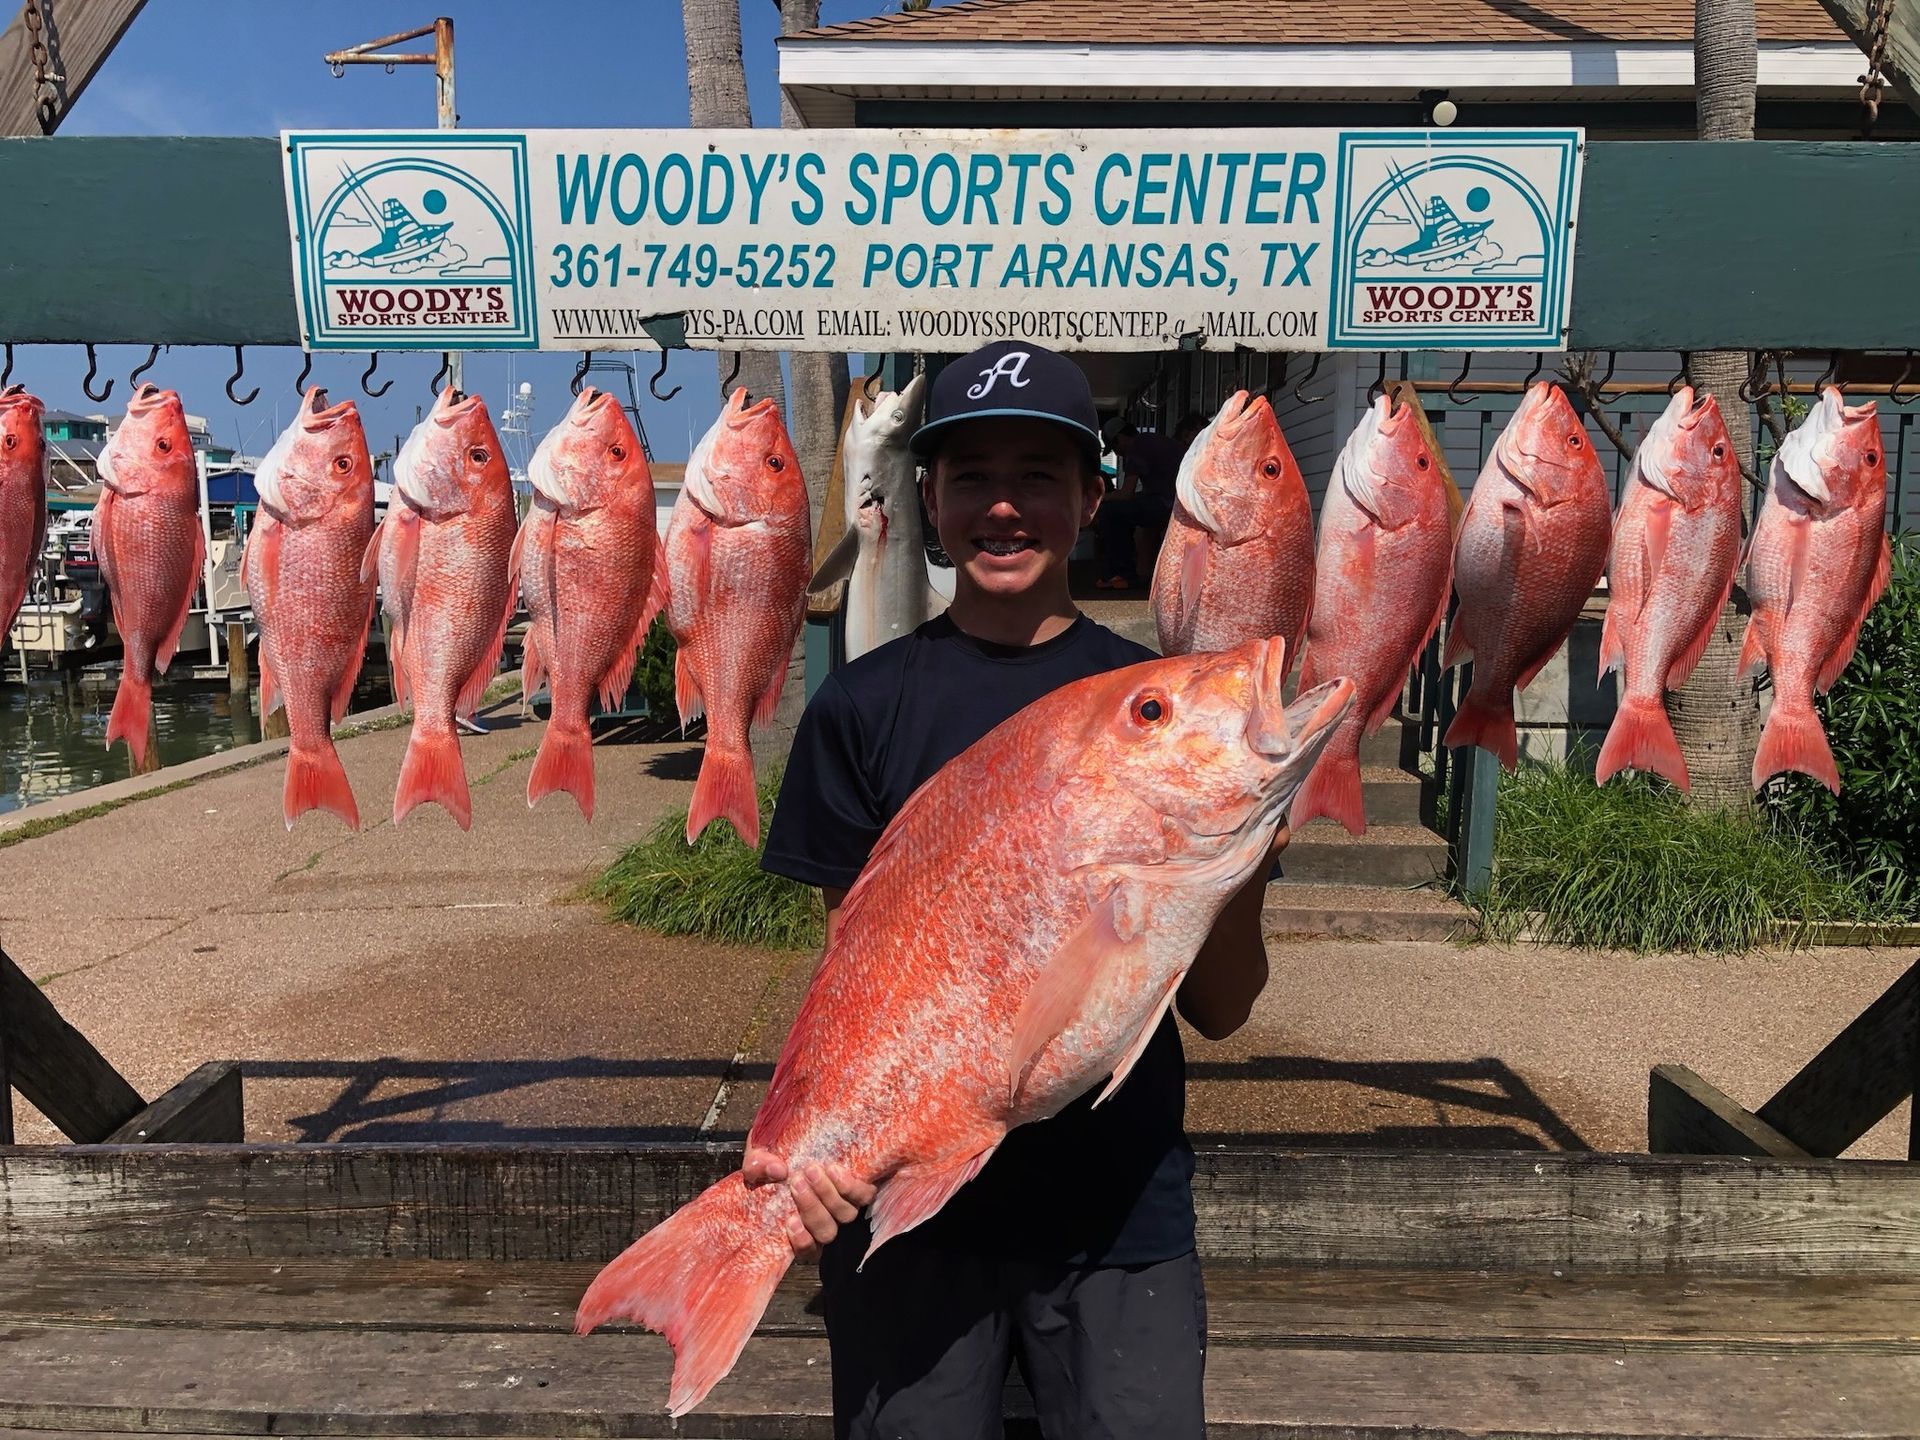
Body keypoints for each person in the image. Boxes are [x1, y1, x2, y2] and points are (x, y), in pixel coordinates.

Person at [754, 340, 1282, 1439]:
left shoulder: (1157, 703)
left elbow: (1222, 1011)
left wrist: (1228, 859)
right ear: (929, 499)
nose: (1006, 506)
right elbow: (856, 981)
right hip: (914, 1220)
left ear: (1093, 497)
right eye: (973, 476)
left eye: (1039, 475)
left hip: (1118, 1222)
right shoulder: (860, 708)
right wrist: (803, 1159)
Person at [1093, 414, 1202, 590]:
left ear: (1119, 438)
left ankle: (1120, 573)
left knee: (1111, 512)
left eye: (1114, 447)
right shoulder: (1153, 441)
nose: (1117, 454)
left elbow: (1126, 494)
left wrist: (1100, 498)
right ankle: (1142, 571)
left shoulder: (1136, 448)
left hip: (1172, 506)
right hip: (1184, 502)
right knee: (1137, 512)